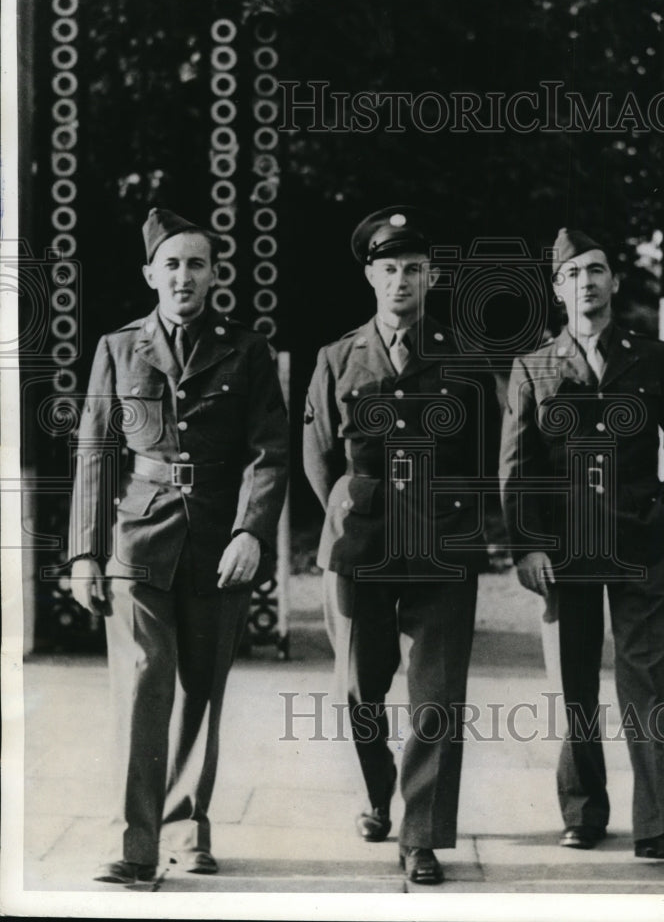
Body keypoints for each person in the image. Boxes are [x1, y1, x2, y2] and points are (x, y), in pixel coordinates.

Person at [68, 207, 289, 884]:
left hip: (219, 538)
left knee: (202, 687)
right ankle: (135, 845)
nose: (184, 276)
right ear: (150, 275)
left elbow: (270, 451)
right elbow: (96, 450)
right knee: (143, 680)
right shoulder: (118, 347)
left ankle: (189, 828)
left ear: (213, 275)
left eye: (196, 264)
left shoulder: (245, 350)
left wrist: (252, 531)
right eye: (172, 264)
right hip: (139, 535)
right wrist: (84, 550)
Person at [303, 206, 499, 885]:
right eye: (388, 269)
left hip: (442, 547)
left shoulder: (463, 361)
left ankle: (420, 836)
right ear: (370, 276)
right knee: (359, 691)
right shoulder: (337, 358)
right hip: (361, 550)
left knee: (435, 698)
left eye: (413, 270)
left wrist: (470, 525)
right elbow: (318, 455)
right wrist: (345, 514)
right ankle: (376, 786)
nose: (400, 281)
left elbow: (485, 453)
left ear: (431, 276)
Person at [499, 227, 664, 860]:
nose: (586, 283)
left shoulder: (655, 359)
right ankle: (584, 811)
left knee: (652, 683)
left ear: (614, 282)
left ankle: (661, 824)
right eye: (573, 275)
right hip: (566, 551)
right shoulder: (533, 367)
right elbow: (517, 467)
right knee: (574, 685)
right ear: (556, 290)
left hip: (642, 543)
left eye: (596, 270)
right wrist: (527, 546)